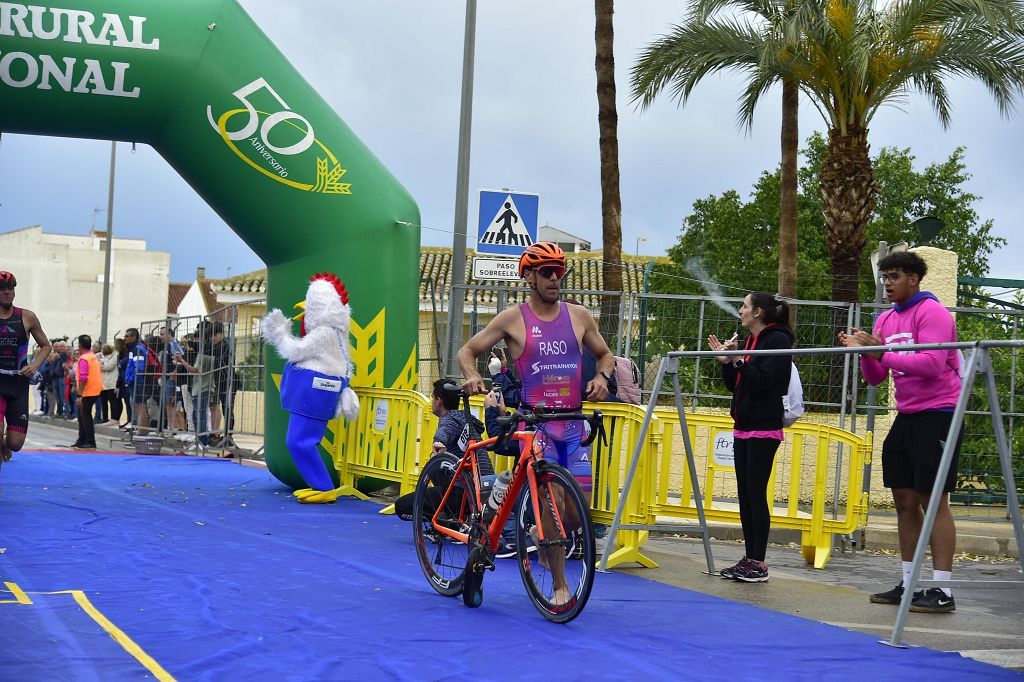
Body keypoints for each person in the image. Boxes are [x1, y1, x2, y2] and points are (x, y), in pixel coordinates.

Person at [457, 241, 615, 604]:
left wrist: (602, 378)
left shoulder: (579, 316)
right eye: (546, 271)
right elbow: (469, 351)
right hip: (537, 426)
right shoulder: (512, 318)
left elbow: (605, 355)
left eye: (559, 270)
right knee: (554, 505)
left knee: (577, 513)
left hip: (572, 426)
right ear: (528, 276)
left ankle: (538, 534)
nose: (555, 277)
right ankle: (560, 587)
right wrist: (471, 375)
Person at [839, 251, 961, 613]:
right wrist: (864, 352)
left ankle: (944, 591)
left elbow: (932, 363)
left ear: (914, 278)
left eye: (894, 276)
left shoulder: (933, 313)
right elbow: (877, 378)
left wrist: (879, 352)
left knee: (933, 500)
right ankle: (909, 584)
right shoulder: (887, 318)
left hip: (938, 414)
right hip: (905, 415)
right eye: (884, 277)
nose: (887, 283)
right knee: (904, 501)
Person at [708, 292, 794, 583]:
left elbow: (766, 382)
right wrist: (728, 363)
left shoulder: (778, 340)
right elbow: (738, 386)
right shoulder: (750, 343)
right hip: (743, 424)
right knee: (745, 494)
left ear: (757, 312)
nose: (741, 311)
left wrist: (740, 362)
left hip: (763, 425)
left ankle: (759, 562)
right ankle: (749, 557)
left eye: (744, 306)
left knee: (756, 493)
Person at [395, 379, 493, 521]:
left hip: (463, 491)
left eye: (432, 397)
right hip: (485, 487)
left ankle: (446, 522)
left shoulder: (449, 419)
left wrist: (439, 442)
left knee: (402, 506)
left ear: (439, 400)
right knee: (438, 466)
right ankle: (453, 516)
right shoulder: (466, 419)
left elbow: (445, 431)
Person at [0, 271, 52, 465]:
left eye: (10, 288)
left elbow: (46, 346)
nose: (6, 292)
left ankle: (6, 444)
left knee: (16, 443)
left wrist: (34, 365)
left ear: (14, 292)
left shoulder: (27, 317)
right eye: (2, 289)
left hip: (18, 385)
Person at [71, 334, 102, 449]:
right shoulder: (92, 356)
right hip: (95, 389)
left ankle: (90, 441)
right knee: (82, 415)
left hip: (88, 391)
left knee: (85, 416)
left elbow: (83, 377)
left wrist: (80, 395)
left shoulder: (84, 359)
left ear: (79, 345)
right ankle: (82, 439)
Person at [98, 343, 120, 425]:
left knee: (112, 401)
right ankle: (105, 418)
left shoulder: (114, 356)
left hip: (111, 383)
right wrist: (101, 365)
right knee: (103, 402)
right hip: (103, 383)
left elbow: (110, 367)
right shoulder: (102, 358)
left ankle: (114, 419)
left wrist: (101, 366)